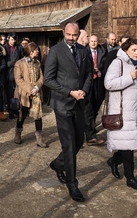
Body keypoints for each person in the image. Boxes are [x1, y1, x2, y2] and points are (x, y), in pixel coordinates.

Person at [44, 22, 93, 202]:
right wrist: (69, 92)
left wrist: (84, 91)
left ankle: (58, 164)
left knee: (80, 140)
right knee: (69, 144)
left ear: (79, 33)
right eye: (69, 35)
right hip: (62, 103)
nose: (72, 38)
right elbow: (48, 79)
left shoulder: (83, 50)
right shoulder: (55, 51)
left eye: (75, 35)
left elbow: (88, 74)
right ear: (63, 32)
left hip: (79, 102)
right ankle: (72, 183)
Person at [104, 38, 137, 190]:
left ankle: (114, 161)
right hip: (123, 114)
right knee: (128, 149)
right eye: (134, 50)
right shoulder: (117, 63)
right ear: (126, 50)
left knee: (129, 146)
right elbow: (108, 83)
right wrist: (128, 78)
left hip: (136, 113)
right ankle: (130, 178)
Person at [13, 42, 48, 147]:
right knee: (22, 115)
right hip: (24, 94)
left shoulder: (37, 63)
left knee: (38, 115)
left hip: (36, 93)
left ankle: (39, 139)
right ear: (30, 51)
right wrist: (30, 89)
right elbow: (18, 80)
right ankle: (18, 133)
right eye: (36, 49)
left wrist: (37, 87)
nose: (38, 51)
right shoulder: (19, 63)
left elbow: (42, 77)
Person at [85, 34, 107, 146]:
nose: (93, 43)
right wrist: (92, 70)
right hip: (88, 83)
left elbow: (106, 66)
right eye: (91, 41)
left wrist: (100, 72)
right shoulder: (84, 52)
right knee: (88, 109)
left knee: (96, 106)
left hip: (98, 83)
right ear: (88, 41)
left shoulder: (102, 51)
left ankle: (90, 128)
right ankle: (91, 136)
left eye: (95, 41)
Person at [4, 32, 24, 119]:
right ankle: (10, 111)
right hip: (8, 73)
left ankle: (16, 110)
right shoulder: (4, 48)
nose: (13, 41)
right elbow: (2, 61)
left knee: (17, 94)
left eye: (15, 39)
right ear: (9, 39)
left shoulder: (19, 47)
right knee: (9, 94)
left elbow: (22, 58)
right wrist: (10, 63)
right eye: (12, 39)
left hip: (18, 73)